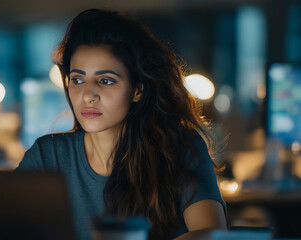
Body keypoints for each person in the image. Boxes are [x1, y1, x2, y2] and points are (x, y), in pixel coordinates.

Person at [16, 9, 227, 240]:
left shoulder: (179, 147)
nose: (88, 95)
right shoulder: (48, 156)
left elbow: (211, 234)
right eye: (78, 80)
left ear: (138, 89)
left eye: (105, 81)